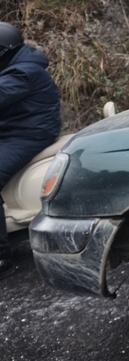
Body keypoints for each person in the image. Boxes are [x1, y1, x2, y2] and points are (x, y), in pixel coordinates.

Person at [0, 22, 61, 280]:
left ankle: (2, 258)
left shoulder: (23, 72)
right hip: (13, 130)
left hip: (28, 134)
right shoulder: (14, 64)